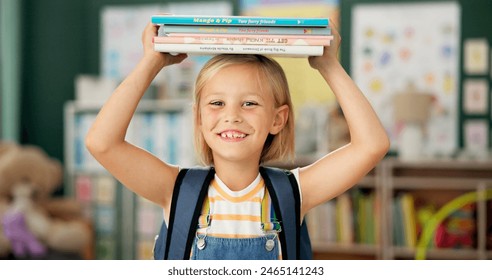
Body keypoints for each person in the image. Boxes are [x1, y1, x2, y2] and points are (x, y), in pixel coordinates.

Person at [85, 20, 390, 260]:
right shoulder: (174, 189)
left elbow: (371, 145)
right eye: (217, 104)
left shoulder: (294, 193)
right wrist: (150, 63)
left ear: (277, 119)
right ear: (199, 118)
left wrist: (329, 65)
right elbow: (102, 142)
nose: (232, 116)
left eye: (250, 103)